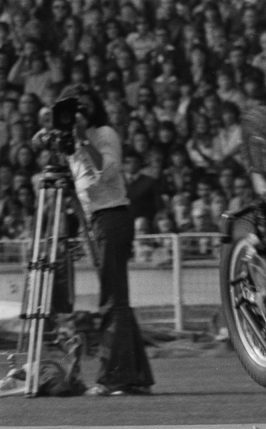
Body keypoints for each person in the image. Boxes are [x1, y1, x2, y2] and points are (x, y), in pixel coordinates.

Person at [63, 85, 154, 396]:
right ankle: (133, 375)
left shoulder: (103, 134)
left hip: (112, 215)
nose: (80, 114)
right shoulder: (71, 144)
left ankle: (112, 376)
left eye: (85, 108)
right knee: (117, 299)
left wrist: (83, 139)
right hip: (96, 220)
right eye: (74, 108)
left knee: (111, 299)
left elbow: (106, 170)